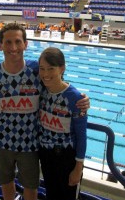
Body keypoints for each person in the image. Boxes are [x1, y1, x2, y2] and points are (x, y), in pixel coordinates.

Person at [0, 23, 90, 200]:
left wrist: (80, 99)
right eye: (8, 42)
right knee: (6, 184)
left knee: (31, 187)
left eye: (18, 41)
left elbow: (56, 82)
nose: (13, 47)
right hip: (0, 141)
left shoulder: (36, 71)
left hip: (31, 144)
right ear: (0, 45)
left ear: (26, 44)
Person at [38, 47, 87, 200]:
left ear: (62, 68)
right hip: (45, 155)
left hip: (67, 158)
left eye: (51, 69)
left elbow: (81, 136)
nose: (45, 74)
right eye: (42, 69)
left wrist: (78, 167)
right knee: (51, 195)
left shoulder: (76, 98)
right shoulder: (41, 92)